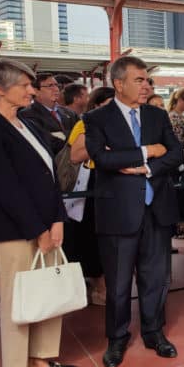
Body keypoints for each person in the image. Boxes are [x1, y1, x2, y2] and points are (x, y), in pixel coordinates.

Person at [85, 56, 183, 367]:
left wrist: (144, 167)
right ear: (118, 83)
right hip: (118, 212)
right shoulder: (98, 119)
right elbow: (101, 158)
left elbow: (176, 153)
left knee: (156, 278)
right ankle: (117, 338)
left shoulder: (156, 115)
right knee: (117, 282)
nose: (146, 86)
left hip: (156, 208)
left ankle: (154, 332)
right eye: (139, 80)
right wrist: (145, 150)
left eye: (147, 80)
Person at [0, 58, 79, 367]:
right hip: (13, 230)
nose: (32, 90)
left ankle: (42, 358)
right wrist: (36, 228)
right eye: (25, 85)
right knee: (19, 298)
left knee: (48, 290)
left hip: (46, 223)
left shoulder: (26, 124)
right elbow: (5, 187)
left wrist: (57, 219)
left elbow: (50, 176)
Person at [63, 86, 116, 306]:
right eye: (109, 103)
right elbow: (75, 155)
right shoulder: (85, 123)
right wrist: (101, 143)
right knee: (90, 238)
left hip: (113, 182)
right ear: (97, 104)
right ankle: (98, 286)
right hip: (91, 184)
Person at [18, 72, 77, 154]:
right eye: (50, 86)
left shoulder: (70, 113)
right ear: (36, 91)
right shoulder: (27, 115)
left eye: (57, 85)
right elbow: (46, 142)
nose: (56, 89)